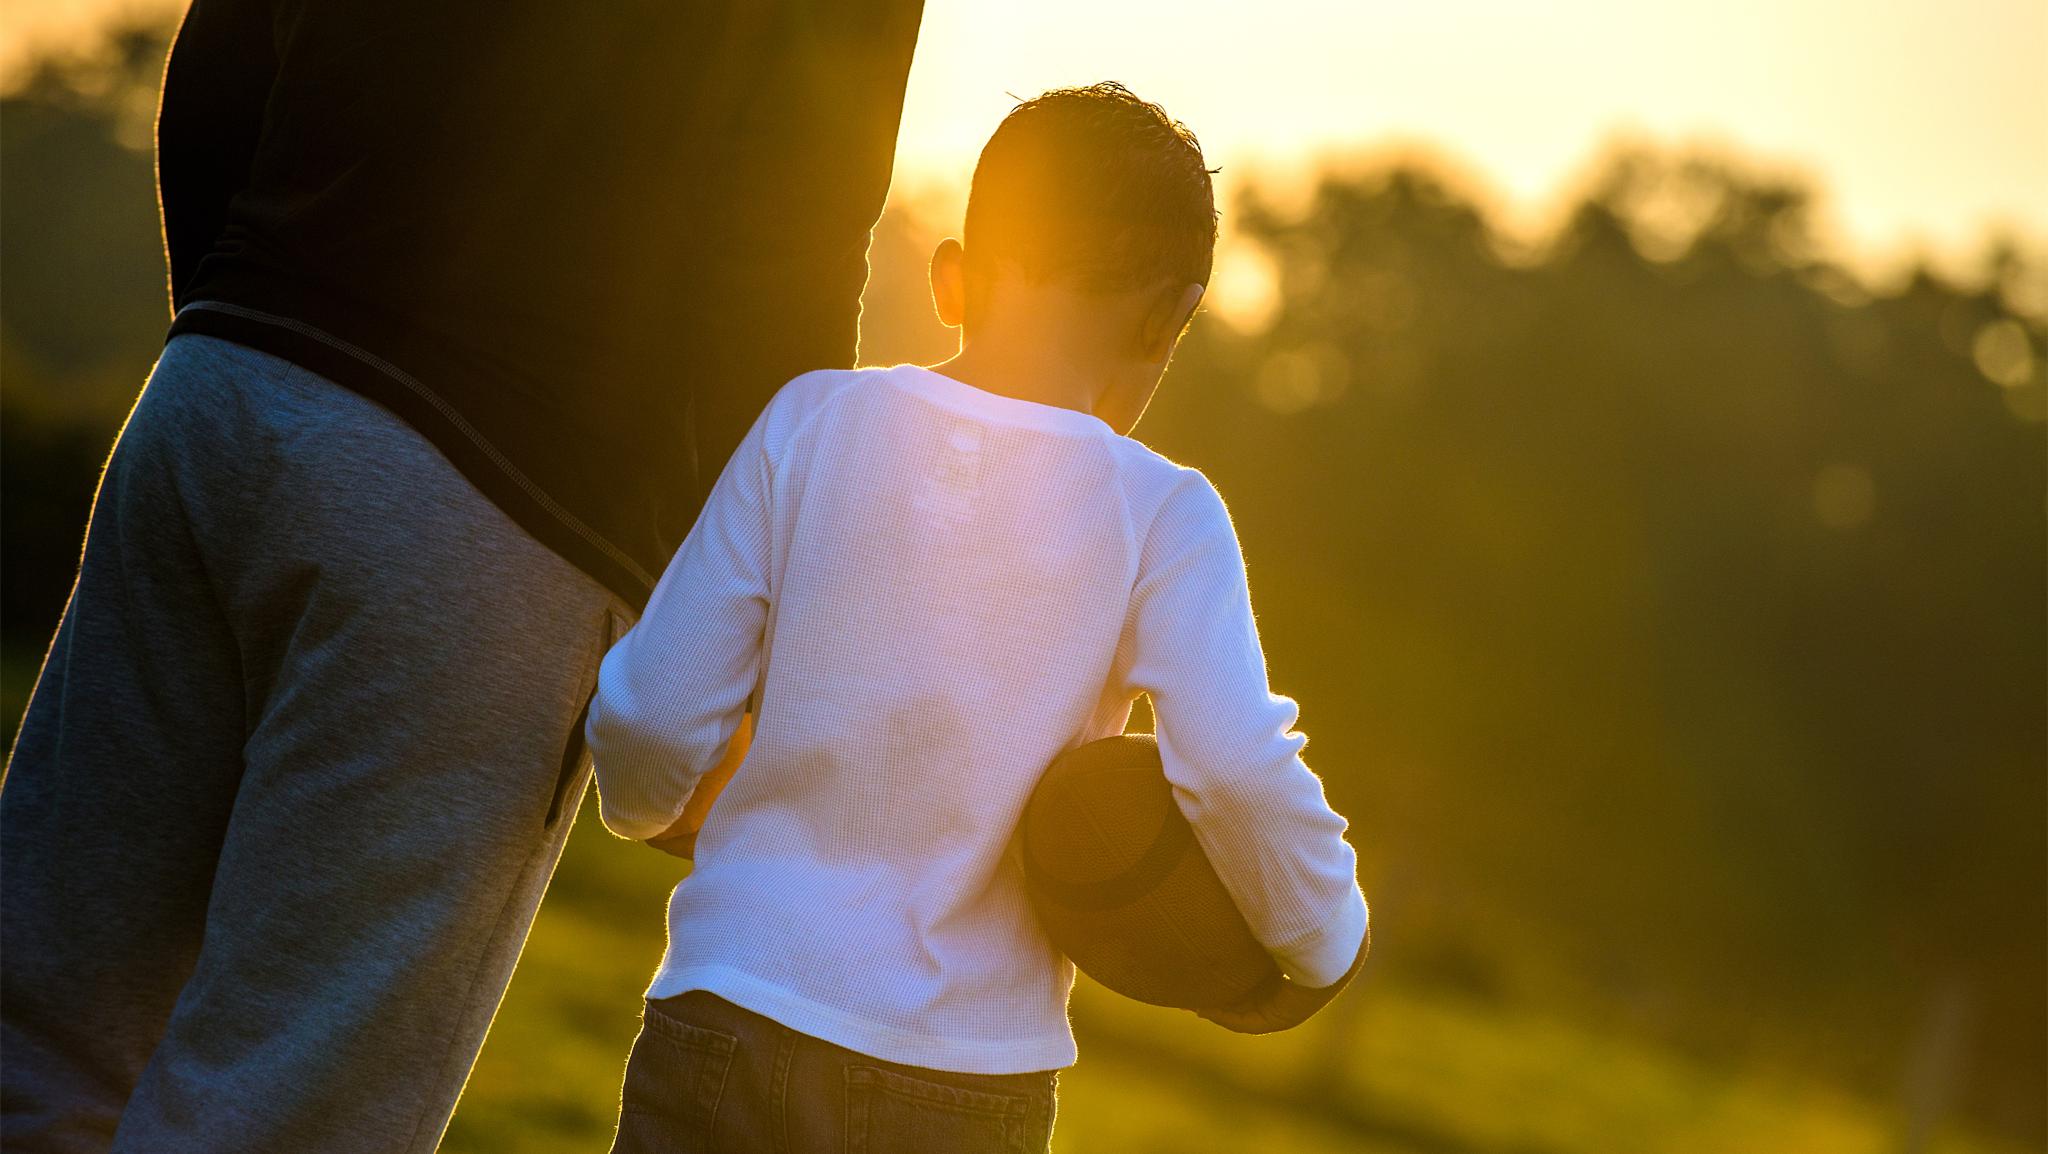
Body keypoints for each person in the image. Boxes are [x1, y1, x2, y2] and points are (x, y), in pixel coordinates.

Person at [0, 2, 923, 1151]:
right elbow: (785, 235)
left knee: (37, 1040)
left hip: (219, 399)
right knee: (283, 1112)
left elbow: (231, 40)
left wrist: (224, 330)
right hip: (486, 515)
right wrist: (757, 629)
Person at [586, 83, 1370, 1154]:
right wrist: (1321, 938)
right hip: (957, 1081)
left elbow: (651, 713)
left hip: (726, 1012)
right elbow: (1232, 765)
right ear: (1167, 316)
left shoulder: (811, 419)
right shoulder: (1160, 511)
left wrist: (650, 805)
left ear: (956, 277)